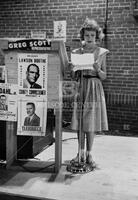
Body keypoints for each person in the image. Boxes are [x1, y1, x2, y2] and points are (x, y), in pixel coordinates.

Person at [70, 18, 109, 167]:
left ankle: (89, 154)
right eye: (87, 35)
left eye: (92, 35)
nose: (90, 38)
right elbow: (73, 76)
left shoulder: (101, 52)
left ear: (97, 36)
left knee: (91, 122)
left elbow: (104, 76)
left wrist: (97, 69)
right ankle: (80, 152)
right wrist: (72, 69)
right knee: (80, 121)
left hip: (94, 86)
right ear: (83, 36)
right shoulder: (76, 51)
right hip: (81, 86)